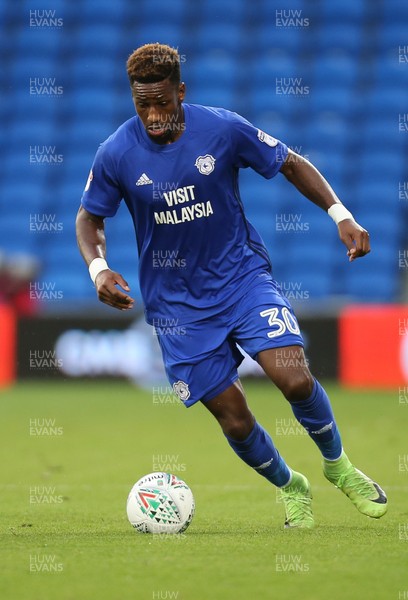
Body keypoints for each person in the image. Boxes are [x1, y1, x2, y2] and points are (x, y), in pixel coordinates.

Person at [76, 43, 387, 528]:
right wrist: (98, 268)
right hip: (177, 308)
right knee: (235, 419)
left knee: (294, 377)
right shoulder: (116, 152)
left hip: (242, 279)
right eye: (143, 105)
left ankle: (340, 467)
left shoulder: (221, 128)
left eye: (162, 102)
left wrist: (340, 214)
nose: (154, 116)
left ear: (181, 91)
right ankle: (292, 487)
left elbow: (289, 162)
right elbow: (89, 217)